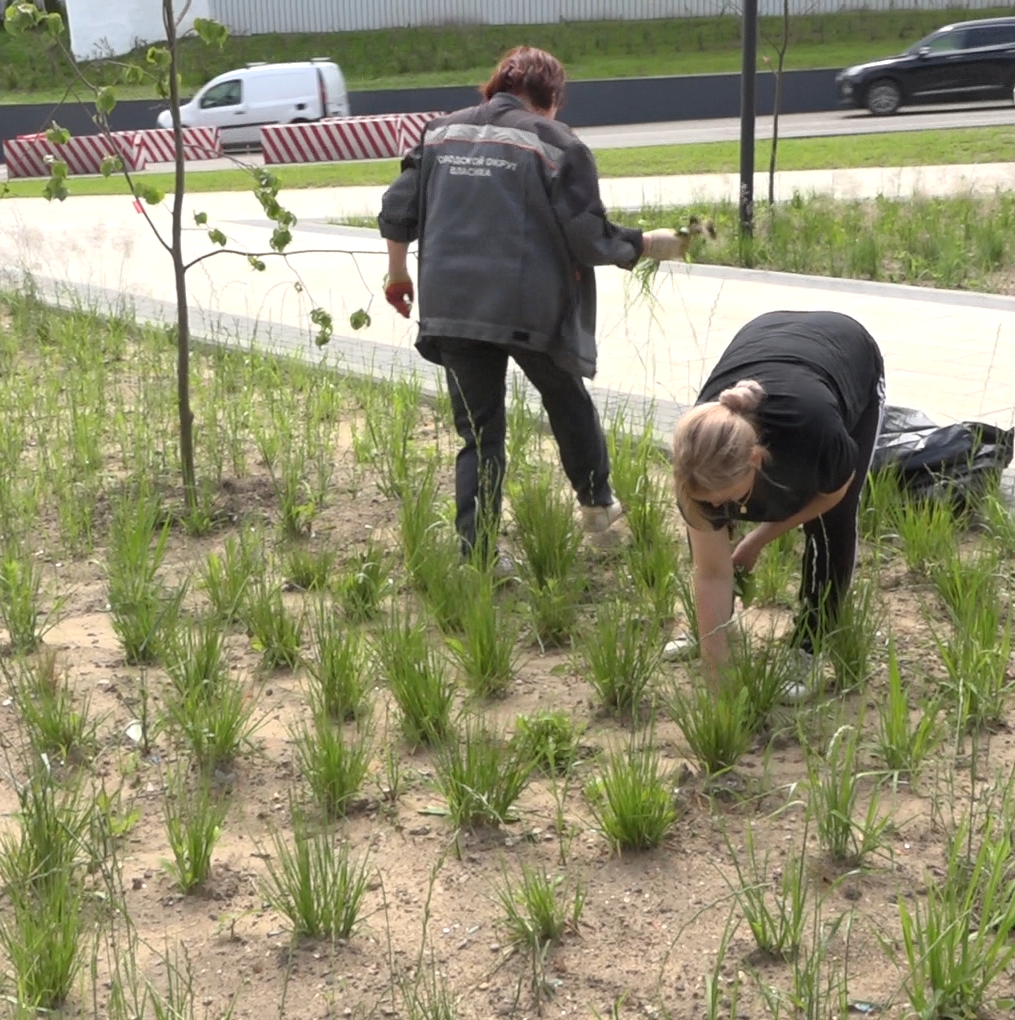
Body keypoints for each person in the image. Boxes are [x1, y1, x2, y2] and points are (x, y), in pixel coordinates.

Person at [378, 47, 689, 563]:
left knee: (479, 434)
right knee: (566, 399)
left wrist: (397, 274)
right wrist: (647, 243)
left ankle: (479, 556)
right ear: (551, 95)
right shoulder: (557, 143)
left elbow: (396, 208)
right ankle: (597, 505)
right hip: (528, 309)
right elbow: (588, 237)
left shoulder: (439, 133)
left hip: (451, 307)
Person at [666, 311, 885, 705]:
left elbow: (833, 494)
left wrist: (757, 539)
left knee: (830, 526)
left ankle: (810, 646)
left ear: (755, 460)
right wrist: (718, 685)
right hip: (764, 334)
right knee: (708, 522)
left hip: (847, 350)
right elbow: (711, 572)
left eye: (724, 497)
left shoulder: (815, 435)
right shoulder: (697, 450)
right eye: (706, 499)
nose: (715, 506)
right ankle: (715, 628)